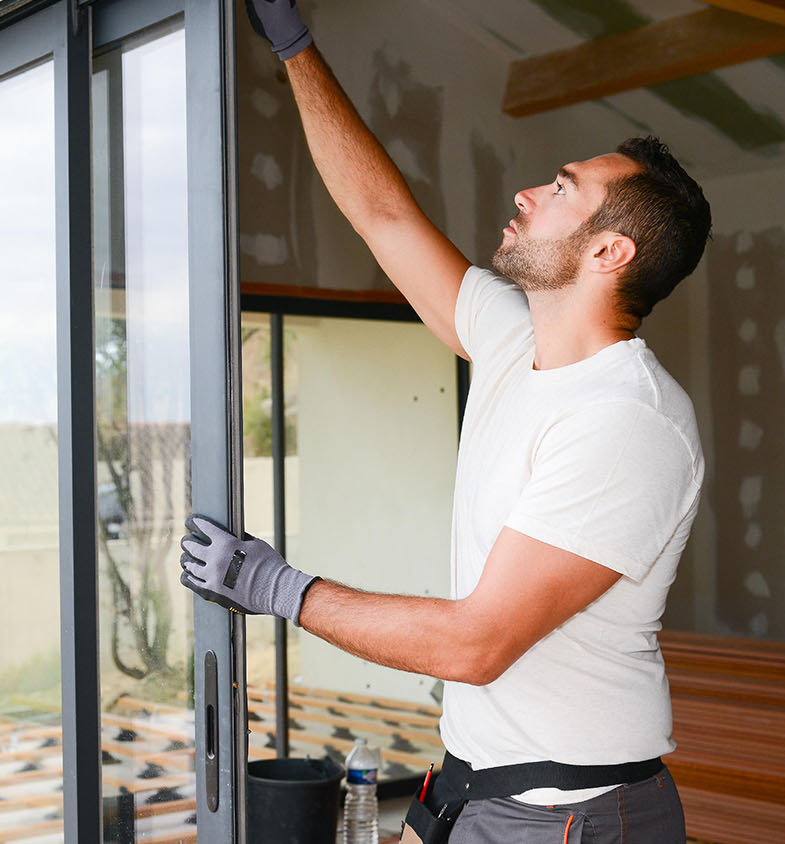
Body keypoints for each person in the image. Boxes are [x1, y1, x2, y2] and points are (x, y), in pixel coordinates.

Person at [178, 2, 711, 842]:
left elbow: (476, 645)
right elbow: (383, 214)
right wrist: (295, 47)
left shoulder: (628, 421)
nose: (528, 192)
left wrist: (280, 590)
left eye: (563, 190)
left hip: (564, 818)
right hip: (477, 793)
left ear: (611, 253)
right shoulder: (512, 340)